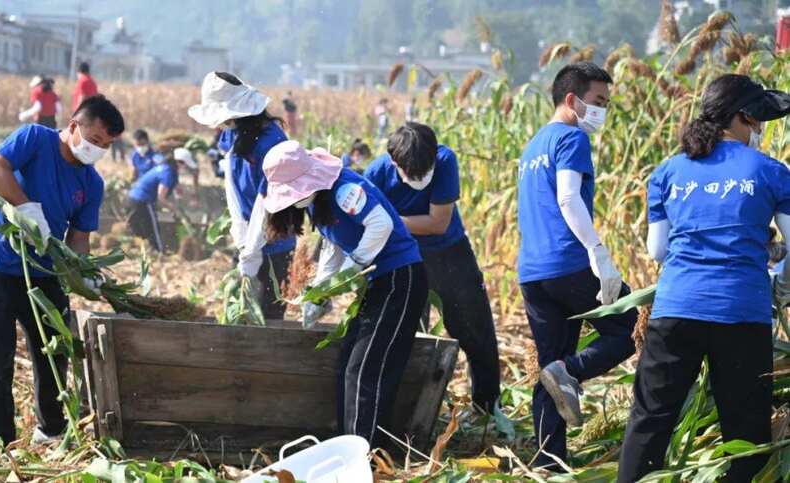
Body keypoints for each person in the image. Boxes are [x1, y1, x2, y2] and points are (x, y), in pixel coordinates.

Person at [618, 74, 790, 483]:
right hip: (741, 314)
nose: (760, 130)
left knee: (649, 421)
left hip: (676, 310)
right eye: (758, 121)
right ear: (743, 117)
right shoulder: (770, 171)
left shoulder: (668, 171)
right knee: (745, 431)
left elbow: (657, 250)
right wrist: (781, 283)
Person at [0, 95, 124, 446]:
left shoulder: (91, 183)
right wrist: (24, 208)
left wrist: (82, 270)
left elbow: (79, 236)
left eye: (106, 146)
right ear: (73, 127)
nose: (97, 149)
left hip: (45, 272)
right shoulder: (35, 138)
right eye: (94, 140)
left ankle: (50, 431)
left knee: (54, 350)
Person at [252, 139, 428, 447]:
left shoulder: (344, 188)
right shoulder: (318, 202)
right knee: (348, 362)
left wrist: (354, 267)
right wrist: (321, 291)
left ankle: (364, 454)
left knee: (364, 370)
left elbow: (381, 224)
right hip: (379, 283)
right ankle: (347, 445)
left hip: (400, 278)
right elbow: (334, 246)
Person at [516, 62, 636, 470]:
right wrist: (598, 252)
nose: (603, 110)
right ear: (572, 100)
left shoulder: (533, 146)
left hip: (533, 273)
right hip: (569, 261)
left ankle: (547, 463)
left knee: (549, 363)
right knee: (630, 326)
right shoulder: (571, 138)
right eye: (598, 101)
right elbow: (568, 199)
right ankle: (572, 370)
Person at [365, 122, 501, 413]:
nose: (419, 178)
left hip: (449, 254)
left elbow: (438, 223)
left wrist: (387, 221)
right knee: (409, 334)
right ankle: (408, 408)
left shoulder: (444, 160)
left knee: (474, 328)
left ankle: (486, 407)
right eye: (409, 174)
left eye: (424, 172)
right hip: (402, 257)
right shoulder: (376, 175)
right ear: (393, 163)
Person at [188, 71, 295, 319]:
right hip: (247, 234)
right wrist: (242, 235)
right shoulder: (234, 132)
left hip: (274, 238)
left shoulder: (272, 143)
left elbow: (268, 200)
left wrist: (254, 246)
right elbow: (232, 182)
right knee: (237, 309)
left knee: (265, 316)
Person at [126, 147, 196, 253]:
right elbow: (161, 198)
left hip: (132, 198)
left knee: (140, 227)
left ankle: (143, 251)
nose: (185, 167)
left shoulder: (167, 168)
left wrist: (182, 195)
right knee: (153, 229)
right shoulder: (168, 173)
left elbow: (177, 187)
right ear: (179, 162)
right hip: (142, 201)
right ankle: (159, 252)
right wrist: (173, 209)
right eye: (185, 164)